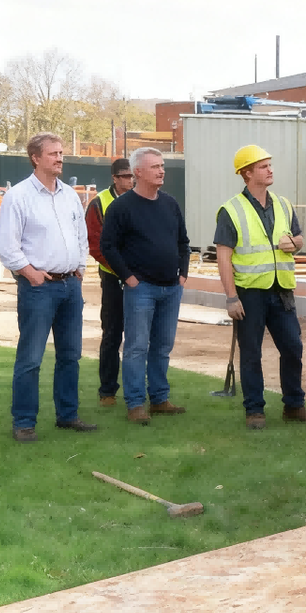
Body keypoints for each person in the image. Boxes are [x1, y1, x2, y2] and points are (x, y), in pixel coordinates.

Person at [214, 144, 306, 430]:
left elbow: (298, 239)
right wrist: (231, 298)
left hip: (281, 290)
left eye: (269, 165)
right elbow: (224, 257)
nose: (270, 170)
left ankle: (294, 406)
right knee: (251, 353)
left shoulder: (284, 204)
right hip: (249, 293)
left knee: (293, 347)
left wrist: (294, 244)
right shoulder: (231, 210)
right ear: (247, 173)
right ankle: (254, 410)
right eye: (263, 166)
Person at [0, 132, 97, 441]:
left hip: (70, 287)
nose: (60, 158)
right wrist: (30, 273)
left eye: (61, 153)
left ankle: (68, 415)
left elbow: (81, 236)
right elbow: (6, 246)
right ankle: (24, 422)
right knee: (30, 358)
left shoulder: (70, 195)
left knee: (70, 355)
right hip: (38, 289)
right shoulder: (19, 196)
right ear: (35, 158)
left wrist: (80, 267)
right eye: (53, 153)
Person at [100, 147, 190, 425]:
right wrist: (128, 277)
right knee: (137, 347)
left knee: (162, 346)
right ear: (137, 172)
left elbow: (183, 242)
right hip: (141, 289)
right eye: (155, 167)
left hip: (171, 288)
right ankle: (136, 403)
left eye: (162, 166)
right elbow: (108, 246)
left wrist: (183, 273)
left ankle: (160, 399)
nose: (161, 171)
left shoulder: (170, 203)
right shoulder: (121, 207)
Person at [85, 158, 134, 406]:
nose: (130, 180)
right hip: (114, 278)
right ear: (114, 178)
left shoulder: (142, 198)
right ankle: (107, 391)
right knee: (112, 334)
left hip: (141, 278)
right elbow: (95, 245)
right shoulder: (99, 203)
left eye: (132, 175)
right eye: (125, 176)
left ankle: (139, 392)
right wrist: (123, 271)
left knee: (140, 337)